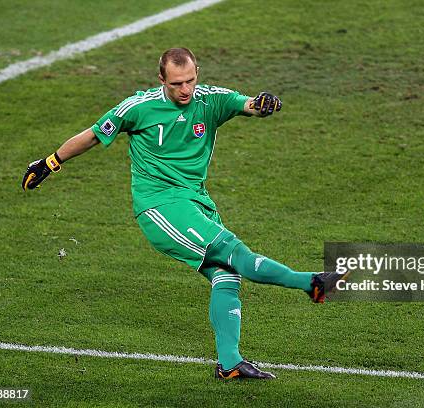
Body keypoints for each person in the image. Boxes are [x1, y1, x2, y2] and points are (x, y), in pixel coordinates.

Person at [22, 47, 348, 380]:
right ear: (161, 79)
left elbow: (246, 104)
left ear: (197, 73)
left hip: (196, 202)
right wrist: (51, 162)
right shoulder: (138, 107)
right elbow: (93, 135)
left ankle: (230, 363)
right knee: (236, 253)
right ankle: (313, 283)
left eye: (190, 80)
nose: (185, 90)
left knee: (226, 276)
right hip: (160, 206)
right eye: (177, 83)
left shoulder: (210, 100)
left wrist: (262, 104)